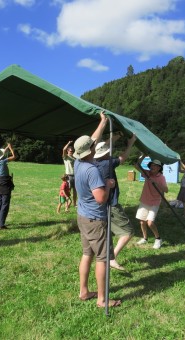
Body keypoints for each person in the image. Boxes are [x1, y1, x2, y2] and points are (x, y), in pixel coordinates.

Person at [74, 111, 121, 308]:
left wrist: (102, 122)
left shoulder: (78, 162)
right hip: (96, 219)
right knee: (102, 259)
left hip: (83, 216)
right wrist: (109, 184)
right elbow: (101, 198)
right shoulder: (92, 170)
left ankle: (84, 291)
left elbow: (92, 139)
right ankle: (102, 300)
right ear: (92, 150)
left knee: (87, 254)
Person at [93, 132, 137, 271]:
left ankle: (106, 255)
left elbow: (103, 145)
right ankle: (111, 258)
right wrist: (130, 143)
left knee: (108, 230)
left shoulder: (93, 162)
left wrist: (117, 136)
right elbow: (123, 158)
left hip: (99, 202)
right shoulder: (108, 163)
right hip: (111, 203)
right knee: (128, 232)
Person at [134, 155, 169, 249]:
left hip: (154, 202)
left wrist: (156, 183)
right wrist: (143, 156)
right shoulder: (147, 173)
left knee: (150, 222)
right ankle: (145, 238)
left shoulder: (161, 177)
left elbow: (166, 190)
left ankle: (158, 239)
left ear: (159, 168)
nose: (153, 166)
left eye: (156, 165)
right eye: (152, 165)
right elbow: (136, 165)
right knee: (142, 221)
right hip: (144, 200)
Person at [0, 143, 18, 229]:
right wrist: (11, 148)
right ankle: (1, 224)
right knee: (5, 204)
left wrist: (6, 147)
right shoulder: (3, 161)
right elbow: (14, 157)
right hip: (5, 184)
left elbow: (1, 154)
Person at [62, 141, 77, 207]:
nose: (72, 152)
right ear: (68, 151)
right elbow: (64, 149)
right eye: (71, 151)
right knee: (68, 191)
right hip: (69, 176)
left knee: (75, 191)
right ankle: (67, 204)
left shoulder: (75, 158)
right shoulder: (66, 157)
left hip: (75, 176)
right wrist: (68, 143)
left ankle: (74, 204)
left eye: (73, 151)